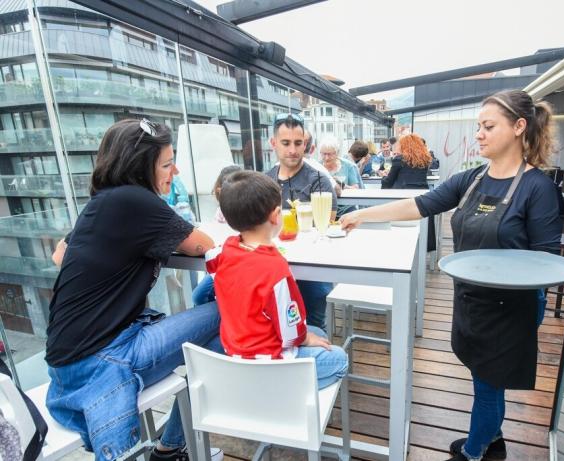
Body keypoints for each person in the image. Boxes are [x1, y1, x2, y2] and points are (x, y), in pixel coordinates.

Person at [340, 90, 563, 461]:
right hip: (471, 299)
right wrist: (363, 215)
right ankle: (492, 438)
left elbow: (549, 261)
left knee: (489, 387)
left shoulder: (537, 189)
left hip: (510, 308)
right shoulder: (472, 179)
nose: (479, 133)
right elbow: (419, 204)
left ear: (519, 127)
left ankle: (475, 452)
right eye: (479, 126)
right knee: (484, 382)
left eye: (488, 126)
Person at [45, 119, 224, 461]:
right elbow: (203, 244)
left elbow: (59, 254)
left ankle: (172, 446)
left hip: (64, 363)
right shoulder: (135, 201)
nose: (175, 170)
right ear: (143, 166)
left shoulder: (103, 202)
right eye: (167, 163)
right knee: (225, 315)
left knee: (215, 341)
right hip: (105, 358)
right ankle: (171, 447)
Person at [205, 170, 348, 388]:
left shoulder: (225, 250)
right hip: (270, 364)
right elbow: (290, 330)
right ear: (276, 215)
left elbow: (210, 261)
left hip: (234, 352)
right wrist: (305, 339)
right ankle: (277, 394)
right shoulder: (276, 270)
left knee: (317, 333)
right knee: (339, 359)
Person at [266, 113, 336, 330]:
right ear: (273, 143)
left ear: (305, 144)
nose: (293, 150)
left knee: (314, 320)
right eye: (286, 143)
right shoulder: (264, 181)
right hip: (272, 264)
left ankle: (317, 358)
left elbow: (326, 225)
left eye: (298, 143)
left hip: (311, 265)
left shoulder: (318, 180)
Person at [192, 165, 243, 306]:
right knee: (198, 296)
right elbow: (216, 232)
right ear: (220, 191)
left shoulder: (249, 209)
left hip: (240, 263)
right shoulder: (221, 210)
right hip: (224, 261)